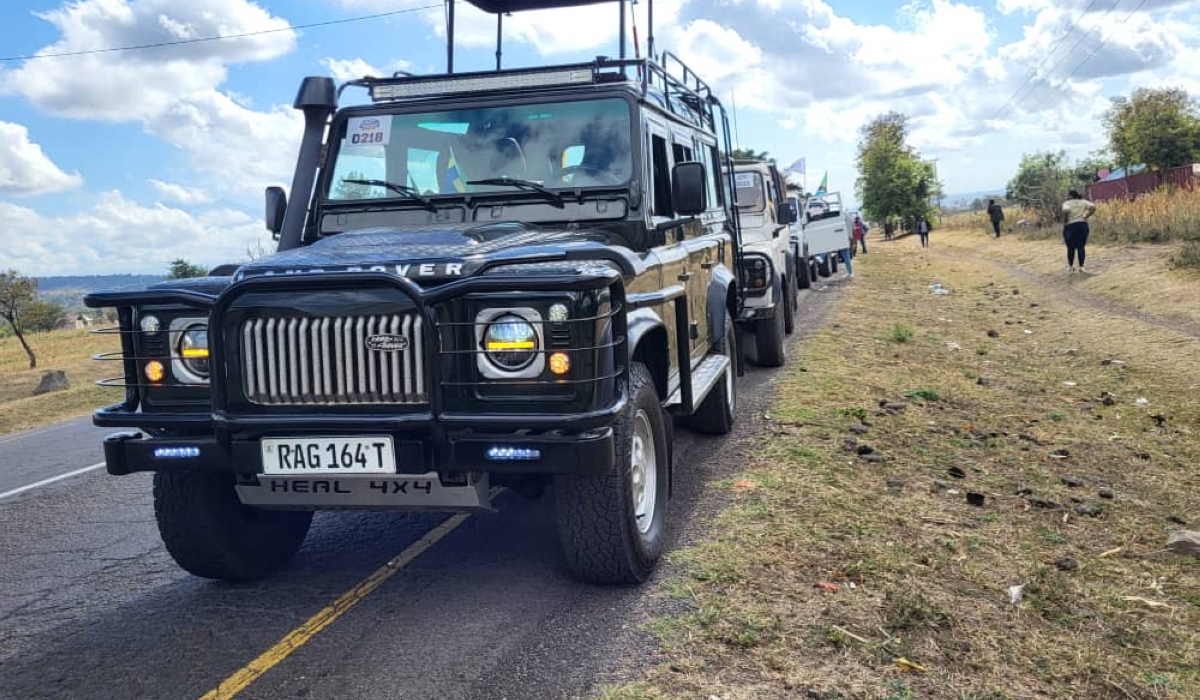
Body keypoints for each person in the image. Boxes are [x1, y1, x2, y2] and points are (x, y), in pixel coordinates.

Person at [1062, 190, 1097, 273]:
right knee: (1081, 247)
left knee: (1070, 248)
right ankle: (1081, 267)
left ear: (1071, 196)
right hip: (1082, 225)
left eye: (1068, 195)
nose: (1067, 197)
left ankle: (1070, 267)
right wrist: (1086, 216)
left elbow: (1065, 210)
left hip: (1070, 226)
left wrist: (1065, 221)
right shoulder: (1083, 201)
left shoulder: (1067, 203)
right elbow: (1093, 207)